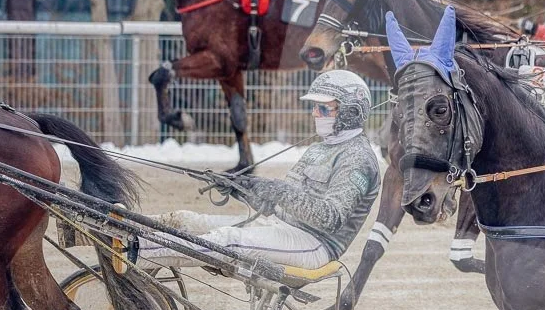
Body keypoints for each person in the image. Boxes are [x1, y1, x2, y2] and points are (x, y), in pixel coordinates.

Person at [143, 70, 381, 271]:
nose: (314, 113)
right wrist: (241, 187)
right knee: (188, 220)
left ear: (350, 113)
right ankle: (128, 229)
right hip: (282, 227)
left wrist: (277, 189)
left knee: (228, 241)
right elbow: (277, 206)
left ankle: (136, 252)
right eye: (315, 107)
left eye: (324, 108)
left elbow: (330, 218)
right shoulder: (320, 148)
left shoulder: (358, 159)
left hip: (315, 244)